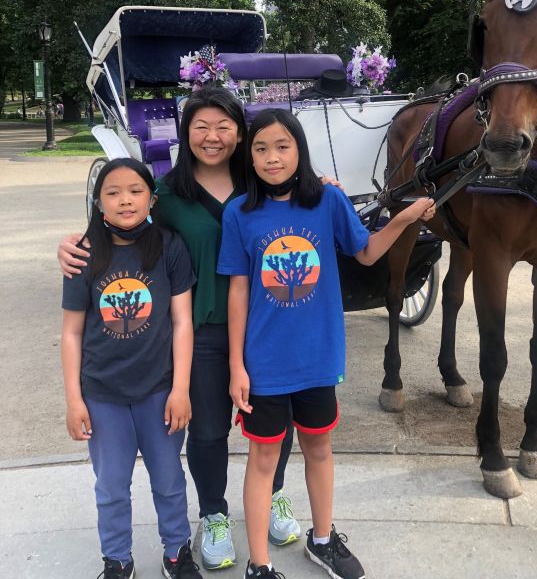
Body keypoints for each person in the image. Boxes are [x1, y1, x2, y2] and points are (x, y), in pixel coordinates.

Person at [57, 88, 301, 572]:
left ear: (240, 131)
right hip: (204, 331)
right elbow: (120, 227)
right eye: (201, 126)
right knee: (207, 430)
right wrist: (72, 245)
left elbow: (307, 207)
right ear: (186, 132)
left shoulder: (264, 182)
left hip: (268, 326)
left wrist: (324, 184)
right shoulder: (165, 194)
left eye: (224, 126)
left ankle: (272, 495)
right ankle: (213, 513)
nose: (212, 137)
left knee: (277, 423)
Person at [217, 109, 436, 579]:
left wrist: (405, 217)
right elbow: (237, 291)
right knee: (263, 461)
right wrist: (237, 365)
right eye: (260, 149)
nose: (272, 158)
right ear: (248, 156)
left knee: (319, 449)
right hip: (265, 364)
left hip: (317, 357)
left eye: (282, 146)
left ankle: (322, 539)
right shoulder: (239, 213)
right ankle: (259, 564)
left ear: (299, 150)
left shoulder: (327, 202)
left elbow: (367, 250)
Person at [61, 158, 201, 579]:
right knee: (111, 487)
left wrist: (180, 389)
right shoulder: (83, 255)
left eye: (136, 191)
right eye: (114, 192)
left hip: (158, 390)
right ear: (98, 202)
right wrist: (73, 400)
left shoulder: (169, 246)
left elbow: (182, 322)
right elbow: (71, 333)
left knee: (169, 479)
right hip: (102, 394)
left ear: (151, 199)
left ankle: (177, 551)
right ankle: (117, 559)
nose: (125, 200)